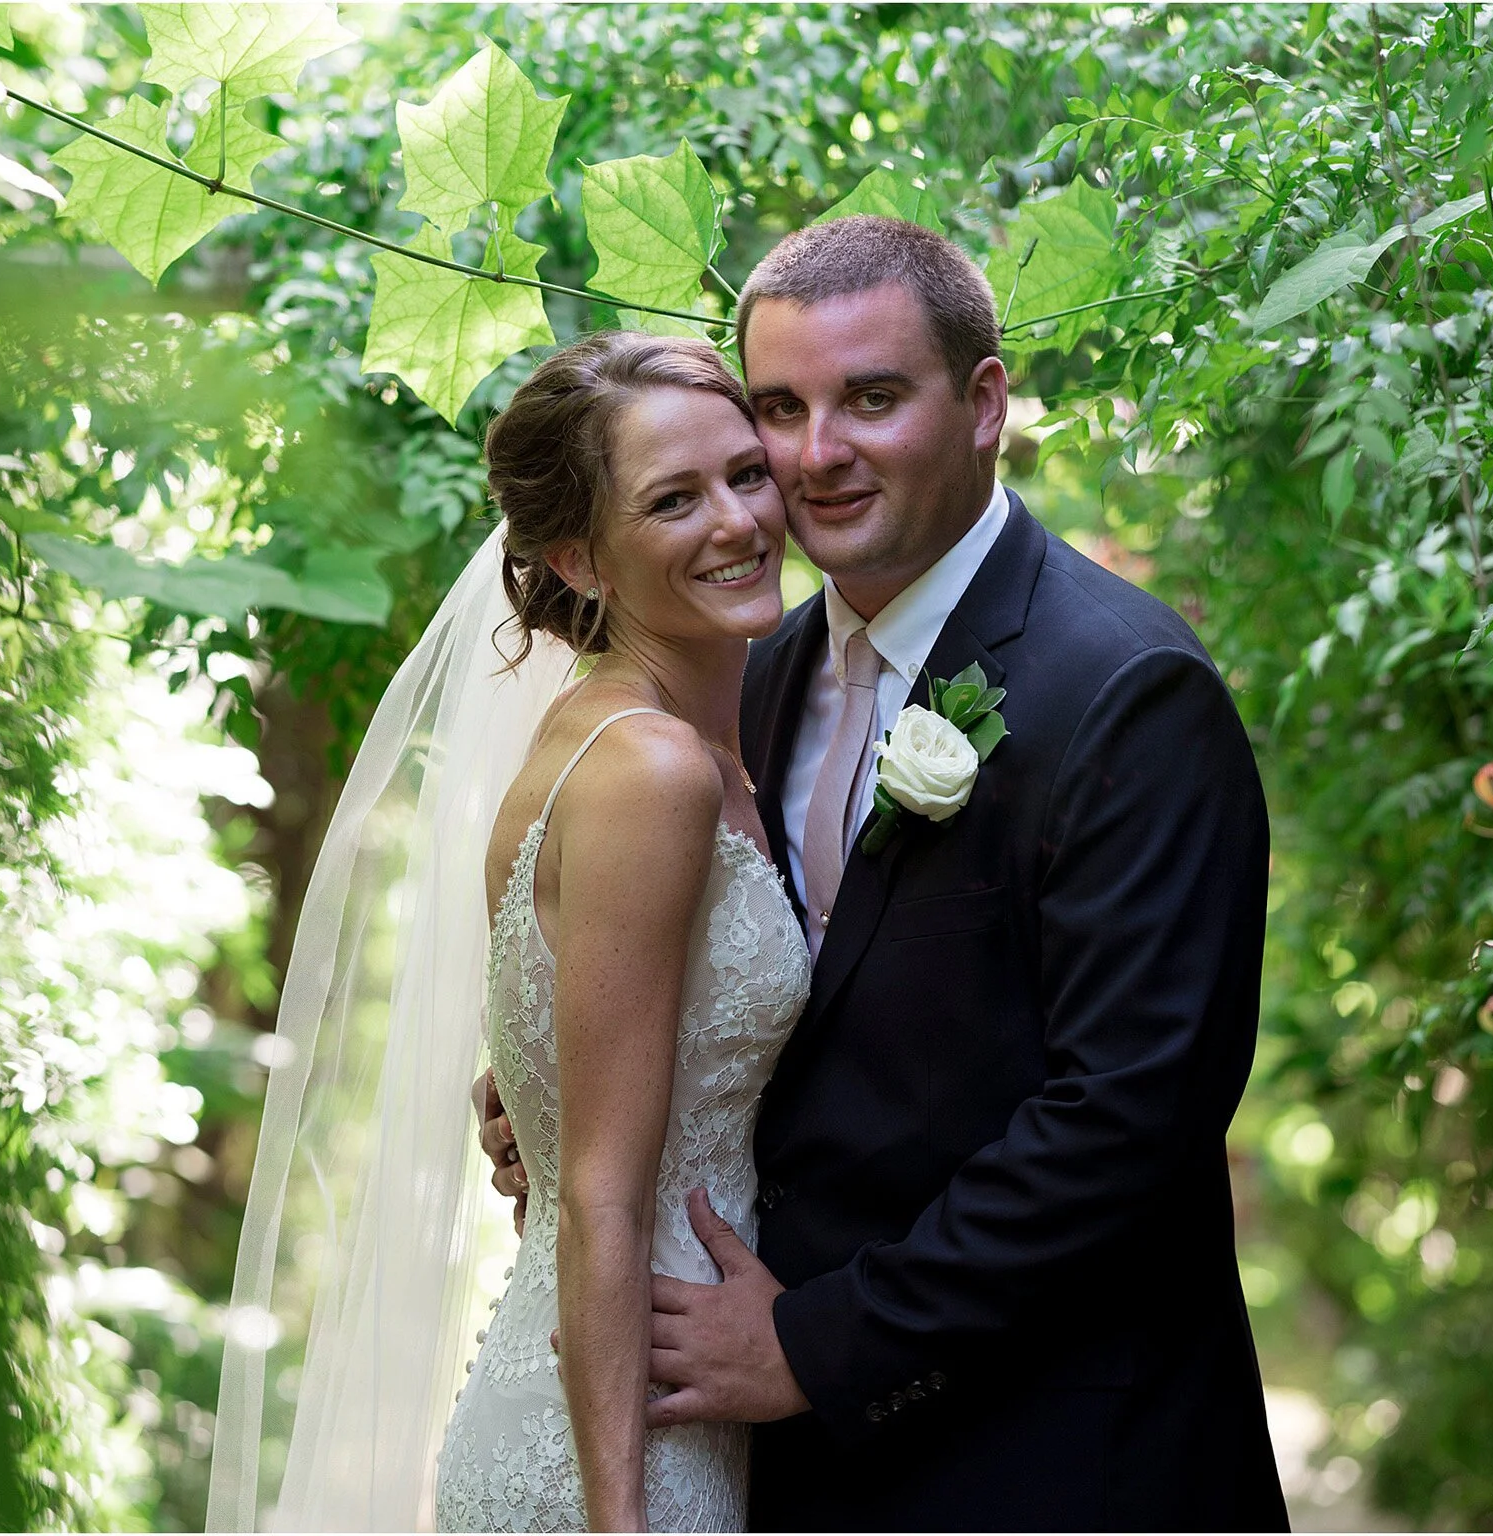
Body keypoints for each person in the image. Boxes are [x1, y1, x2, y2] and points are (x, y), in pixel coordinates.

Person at [479, 215, 1288, 1530]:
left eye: (870, 399)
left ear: (982, 405)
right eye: (780, 408)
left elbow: (1129, 1117)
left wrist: (820, 1346)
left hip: (1058, 1462)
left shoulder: (1128, 691)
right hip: (798, 1478)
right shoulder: (761, 667)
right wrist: (558, 1080)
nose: (816, 455)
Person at [208, 333, 811, 1533]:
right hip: (629, 1439)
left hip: (659, 1392)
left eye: (748, 473)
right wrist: (619, 1519)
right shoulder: (648, 769)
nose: (739, 521)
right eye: (673, 500)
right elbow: (593, 1194)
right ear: (578, 560)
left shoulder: (645, 730)